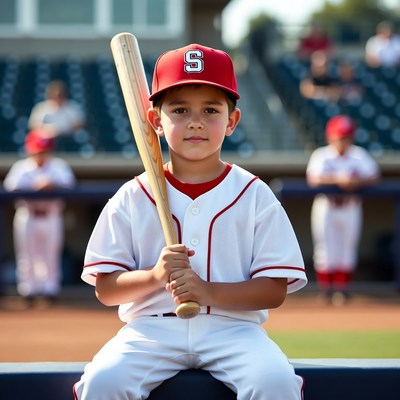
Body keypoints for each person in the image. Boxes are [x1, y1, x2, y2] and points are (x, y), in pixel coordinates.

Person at [73, 43, 308, 400]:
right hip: (150, 329)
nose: (195, 121)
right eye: (180, 109)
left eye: (211, 110)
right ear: (155, 121)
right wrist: (154, 276)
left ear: (232, 121)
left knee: (275, 382)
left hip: (234, 329)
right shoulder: (132, 195)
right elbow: (106, 289)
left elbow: (274, 290)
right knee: (102, 381)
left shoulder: (254, 194)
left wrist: (207, 291)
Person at [306, 115, 380, 306]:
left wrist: (356, 181)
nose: (343, 141)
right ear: (330, 137)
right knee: (325, 250)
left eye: (346, 137)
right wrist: (339, 179)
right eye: (340, 137)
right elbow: (313, 178)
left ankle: (343, 291)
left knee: (347, 249)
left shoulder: (358, 154)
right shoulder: (322, 154)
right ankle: (326, 291)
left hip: (350, 206)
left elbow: (374, 175)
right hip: (327, 206)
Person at [3, 129, 76, 305]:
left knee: (51, 255)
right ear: (30, 150)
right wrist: (34, 187)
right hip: (27, 215)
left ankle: (50, 291)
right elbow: (9, 188)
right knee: (27, 255)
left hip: (51, 215)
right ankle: (28, 291)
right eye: (37, 150)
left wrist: (52, 184)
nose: (41, 154)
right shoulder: (21, 167)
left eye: (44, 150)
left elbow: (70, 185)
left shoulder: (58, 166)